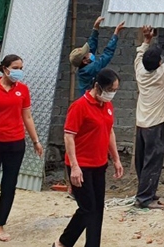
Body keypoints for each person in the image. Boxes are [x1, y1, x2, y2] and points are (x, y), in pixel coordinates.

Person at [0, 54, 43, 242]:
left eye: (21, 68)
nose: (19, 72)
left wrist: (36, 141)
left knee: (9, 186)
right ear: (5, 69)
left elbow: (27, 117)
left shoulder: (23, 90)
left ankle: (0, 225)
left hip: (15, 143)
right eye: (15, 68)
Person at [54, 69, 124, 247]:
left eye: (115, 90)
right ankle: (62, 243)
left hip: (99, 164)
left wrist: (115, 158)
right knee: (87, 209)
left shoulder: (107, 105)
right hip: (81, 165)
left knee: (97, 209)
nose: (112, 94)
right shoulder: (79, 106)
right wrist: (75, 167)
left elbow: (109, 131)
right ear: (97, 86)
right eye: (110, 89)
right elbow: (69, 136)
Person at [132, 24, 164, 209]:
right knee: (153, 162)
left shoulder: (140, 72)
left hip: (142, 123)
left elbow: (139, 55)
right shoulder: (162, 74)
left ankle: (147, 192)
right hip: (154, 125)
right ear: (159, 64)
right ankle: (145, 198)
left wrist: (146, 40)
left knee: (142, 161)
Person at [70, 17, 124, 98]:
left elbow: (91, 46)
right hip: (89, 101)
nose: (89, 53)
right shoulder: (89, 69)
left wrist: (95, 28)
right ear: (85, 61)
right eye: (87, 54)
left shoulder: (84, 65)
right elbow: (107, 55)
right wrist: (115, 34)